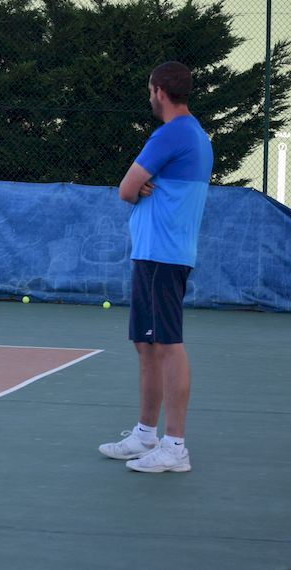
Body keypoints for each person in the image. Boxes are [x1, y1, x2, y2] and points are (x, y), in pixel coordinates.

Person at [99, 61, 213, 473]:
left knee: (167, 344)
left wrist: (143, 186)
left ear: (160, 92)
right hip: (154, 253)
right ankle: (145, 435)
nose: (149, 97)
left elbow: (126, 189)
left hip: (164, 255)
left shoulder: (172, 134)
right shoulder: (194, 134)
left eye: (150, 90)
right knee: (146, 345)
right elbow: (137, 188)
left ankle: (175, 447)